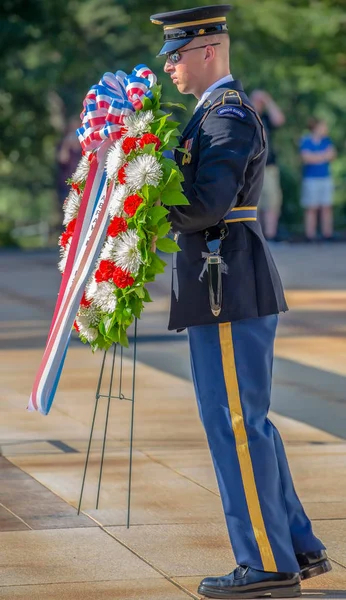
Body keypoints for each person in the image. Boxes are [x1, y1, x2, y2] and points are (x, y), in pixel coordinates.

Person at [150, 5, 330, 599]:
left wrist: (141, 198)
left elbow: (204, 207)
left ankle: (266, 563)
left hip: (227, 284)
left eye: (177, 54)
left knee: (235, 425)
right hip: (225, 282)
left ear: (208, 52)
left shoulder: (225, 119)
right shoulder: (212, 117)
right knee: (247, 423)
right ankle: (296, 545)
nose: (170, 66)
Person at [250, 90, 285, 241]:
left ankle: (270, 235)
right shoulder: (247, 117)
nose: (259, 104)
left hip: (269, 167)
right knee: (253, 203)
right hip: (251, 167)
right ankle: (256, 236)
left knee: (272, 202)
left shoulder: (266, 119)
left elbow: (279, 120)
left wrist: (268, 100)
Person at [299, 118, 336, 241]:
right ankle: (310, 235)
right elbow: (306, 158)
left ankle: (327, 234)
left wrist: (315, 157)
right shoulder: (306, 140)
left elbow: (332, 155)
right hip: (311, 179)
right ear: (316, 127)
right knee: (311, 207)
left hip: (325, 178)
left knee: (326, 206)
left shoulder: (327, 140)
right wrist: (323, 156)